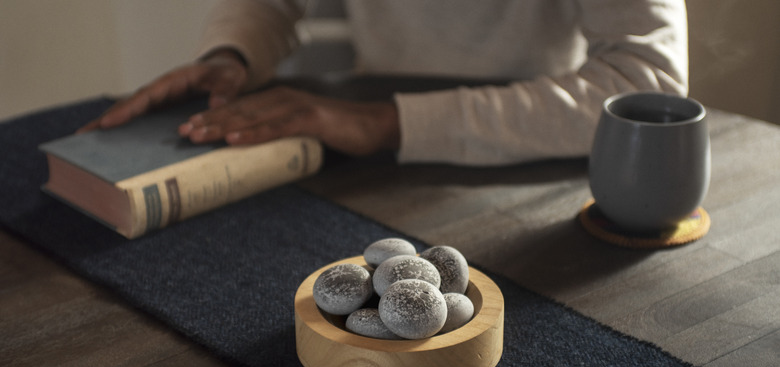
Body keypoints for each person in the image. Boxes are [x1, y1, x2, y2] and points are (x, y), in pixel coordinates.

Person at [80, 0, 688, 166]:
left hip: (539, 163)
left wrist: (388, 122)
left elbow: (647, 82)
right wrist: (232, 52)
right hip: (363, 154)